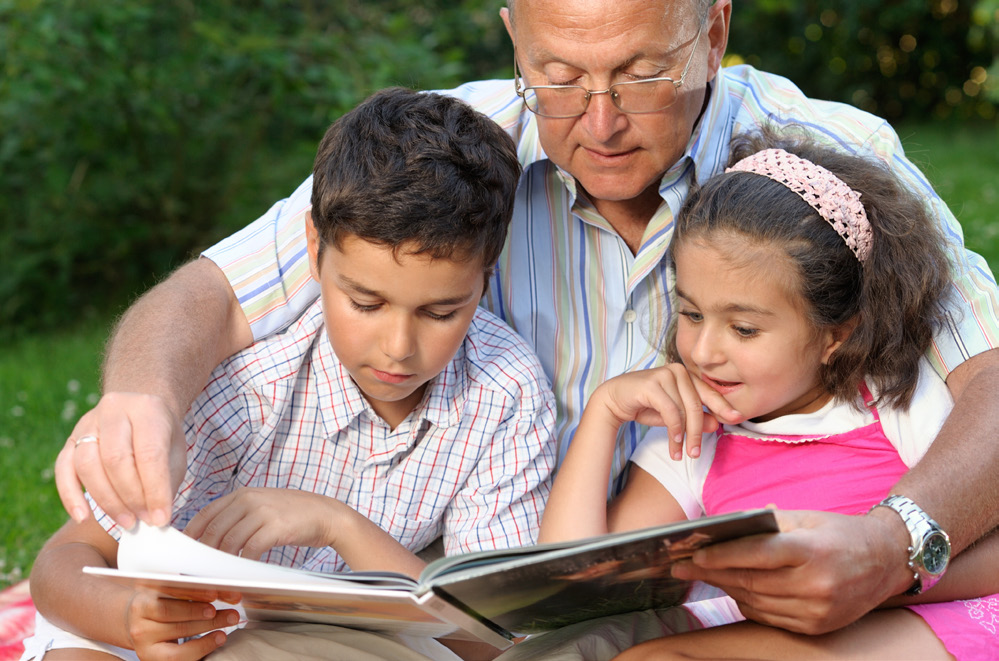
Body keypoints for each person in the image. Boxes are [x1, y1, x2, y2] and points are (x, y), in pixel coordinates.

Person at [55, 0, 999, 638]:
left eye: (637, 74)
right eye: (555, 75)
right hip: (498, 578)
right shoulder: (453, 156)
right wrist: (138, 400)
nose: (598, 120)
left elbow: (988, 377)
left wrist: (895, 543)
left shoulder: (824, 161)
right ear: (514, 40)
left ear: (712, 32)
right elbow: (209, 292)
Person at [24, 87, 556, 661]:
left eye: (441, 312)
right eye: (366, 303)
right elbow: (66, 562)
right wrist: (129, 619)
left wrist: (338, 526)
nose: (399, 349)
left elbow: (496, 637)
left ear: (486, 273)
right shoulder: (247, 389)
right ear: (313, 248)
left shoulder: (505, 393)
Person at [524, 127, 999, 660]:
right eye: (692, 313)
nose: (703, 351)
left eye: (744, 329)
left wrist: (869, 585)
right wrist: (603, 414)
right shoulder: (692, 439)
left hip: (943, 624)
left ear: (834, 334)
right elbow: (577, 594)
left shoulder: (896, 405)